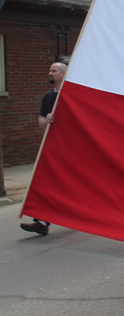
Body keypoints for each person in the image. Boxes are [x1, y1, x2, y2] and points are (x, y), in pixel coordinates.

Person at [20, 62, 67, 236]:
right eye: (49, 70)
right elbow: (40, 123)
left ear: (63, 74)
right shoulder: (48, 97)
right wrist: (46, 119)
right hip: (53, 147)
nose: (50, 73)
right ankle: (42, 221)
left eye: (53, 70)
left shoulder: (70, 95)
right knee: (46, 182)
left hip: (71, 148)